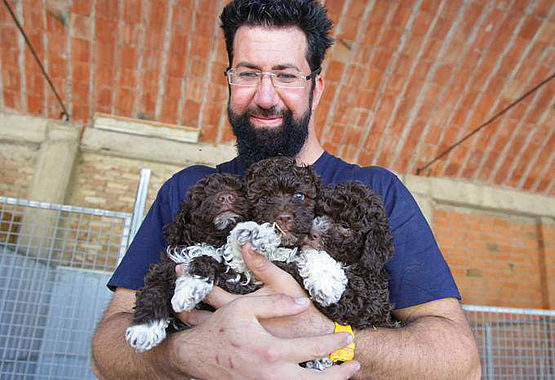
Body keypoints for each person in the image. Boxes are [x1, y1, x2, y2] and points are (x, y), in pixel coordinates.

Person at [91, 1, 481, 379]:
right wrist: (188, 352)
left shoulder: (374, 191)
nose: (264, 96)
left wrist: (325, 338)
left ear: (317, 87)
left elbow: (460, 364)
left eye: (286, 75)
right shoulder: (190, 189)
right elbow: (107, 353)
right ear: (228, 80)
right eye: (247, 73)